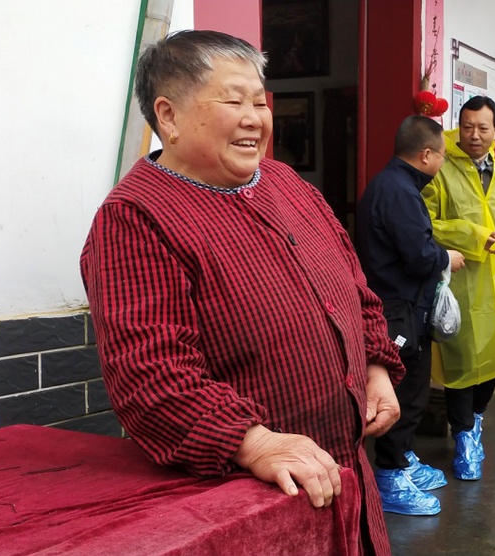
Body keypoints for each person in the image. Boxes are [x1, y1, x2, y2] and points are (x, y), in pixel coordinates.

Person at [79, 30, 402, 555]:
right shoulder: (136, 219)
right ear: (169, 115)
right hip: (246, 508)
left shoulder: (285, 182)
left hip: (347, 484)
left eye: (259, 100)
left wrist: (373, 366)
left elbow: (354, 286)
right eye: (234, 100)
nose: (256, 117)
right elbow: (151, 375)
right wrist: (253, 443)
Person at [422, 95, 495, 481]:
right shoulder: (442, 169)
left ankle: (473, 421)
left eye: (483, 128)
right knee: (460, 366)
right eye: (468, 126)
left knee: (492, 362)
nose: (474, 135)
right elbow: (427, 222)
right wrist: (474, 235)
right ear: (460, 125)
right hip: (457, 283)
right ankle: (463, 437)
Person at [355, 115, 465, 516]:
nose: (442, 164)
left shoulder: (396, 185)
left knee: (414, 388)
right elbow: (418, 255)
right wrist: (446, 257)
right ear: (425, 154)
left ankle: (402, 458)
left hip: (405, 308)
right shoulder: (399, 191)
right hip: (396, 310)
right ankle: (389, 473)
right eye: (442, 156)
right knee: (401, 392)